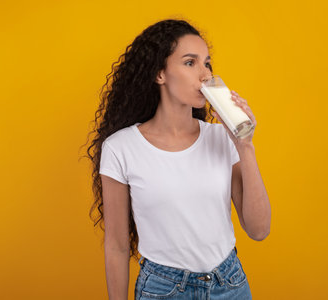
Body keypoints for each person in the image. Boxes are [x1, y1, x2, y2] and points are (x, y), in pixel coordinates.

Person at [86, 18, 271, 300]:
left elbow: (259, 230)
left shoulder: (222, 138)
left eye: (207, 63)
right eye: (190, 63)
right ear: (160, 73)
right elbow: (117, 247)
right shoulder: (120, 148)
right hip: (164, 290)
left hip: (229, 285)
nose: (205, 74)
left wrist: (245, 146)